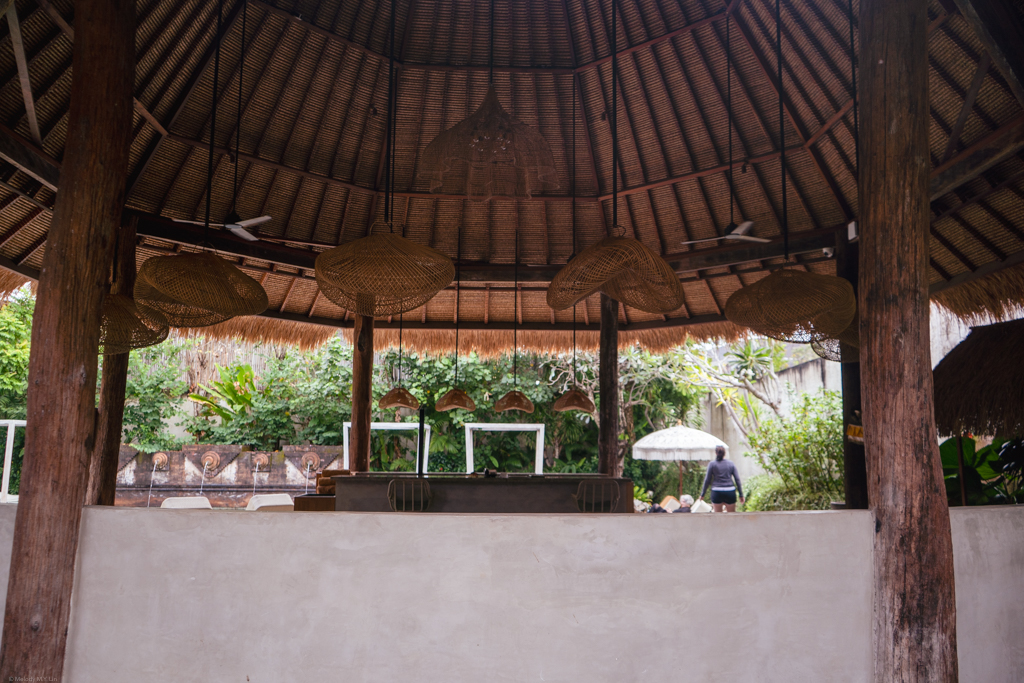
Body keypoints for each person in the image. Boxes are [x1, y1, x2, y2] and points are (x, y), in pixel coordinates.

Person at [699, 445, 744, 512]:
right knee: (731, 516)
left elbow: (707, 480)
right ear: (724, 453)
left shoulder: (712, 464)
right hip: (730, 491)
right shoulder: (731, 464)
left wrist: (702, 494)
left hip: (717, 491)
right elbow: (737, 479)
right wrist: (741, 494)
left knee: (718, 517)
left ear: (716, 453)